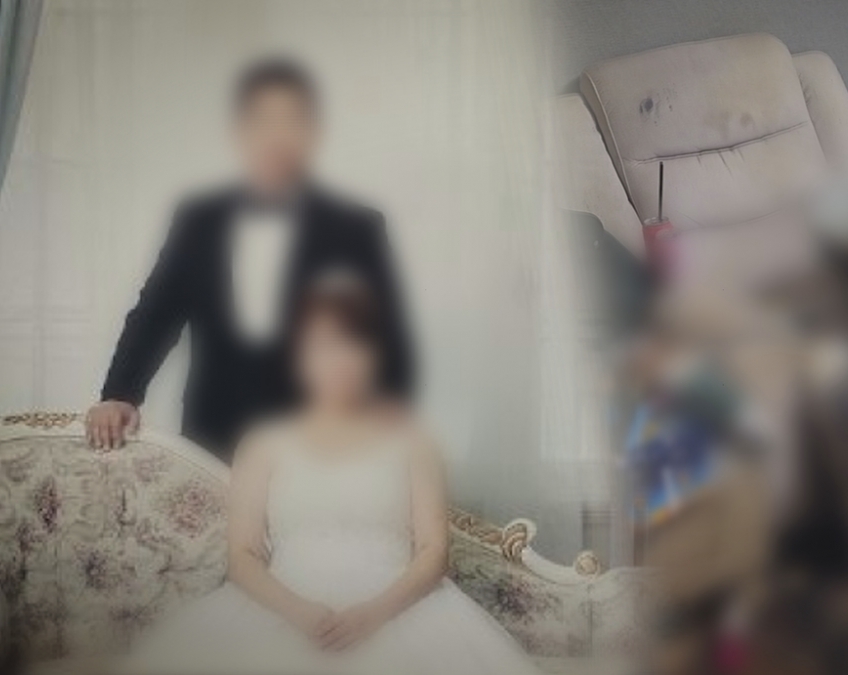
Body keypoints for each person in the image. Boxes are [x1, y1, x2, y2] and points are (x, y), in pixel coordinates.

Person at [121, 276, 538, 675]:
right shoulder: (262, 443)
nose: (338, 360)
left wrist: (371, 616)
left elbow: (433, 552)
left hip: (396, 608)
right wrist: (300, 614)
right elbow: (243, 557)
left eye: (353, 343)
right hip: (284, 607)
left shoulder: (414, 441)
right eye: (321, 345)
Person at [85, 57, 413, 460]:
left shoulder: (358, 226)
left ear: (313, 131)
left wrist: (388, 413)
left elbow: (384, 328)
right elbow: (156, 312)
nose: (277, 135)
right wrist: (119, 394)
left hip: (323, 432)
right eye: (263, 120)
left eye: (292, 120)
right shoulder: (197, 218)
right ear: (240, 130)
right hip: (213, 429)